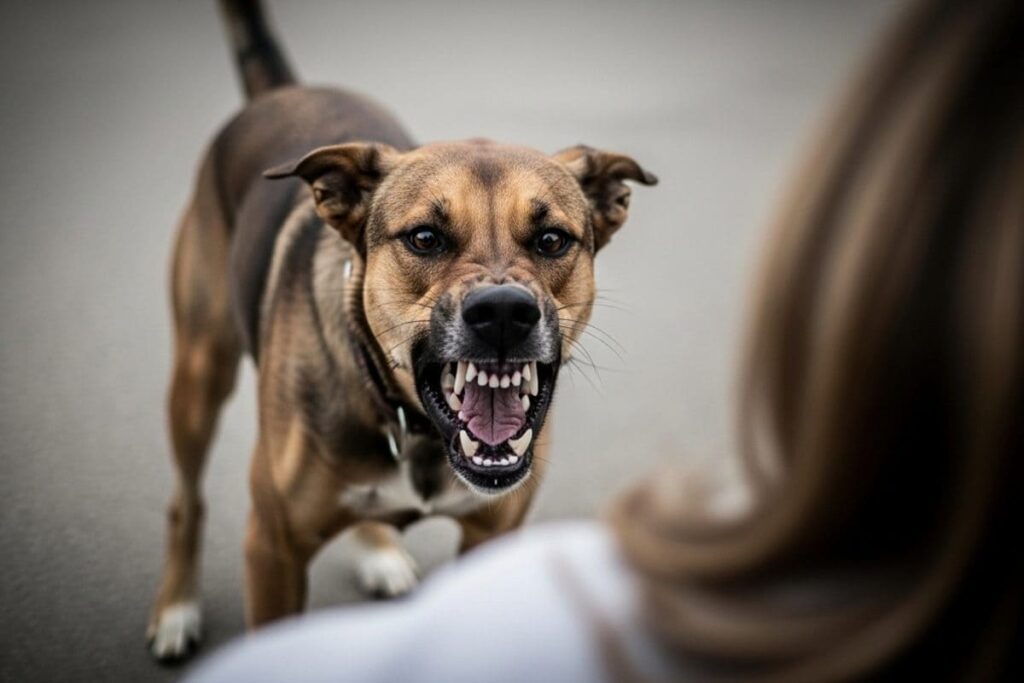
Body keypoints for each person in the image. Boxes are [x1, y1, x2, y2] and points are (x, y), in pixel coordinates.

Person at [187, 0, 1024, 679]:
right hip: (325, 375)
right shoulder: (355, 212)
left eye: (548, 244)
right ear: (344, 215)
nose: (505, 296)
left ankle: (377, 520)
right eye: (430, 242)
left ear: (605, 219)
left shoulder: (523, 505)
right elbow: (273, 551)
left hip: (440, 404)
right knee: (203, 375)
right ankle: (180, 534)